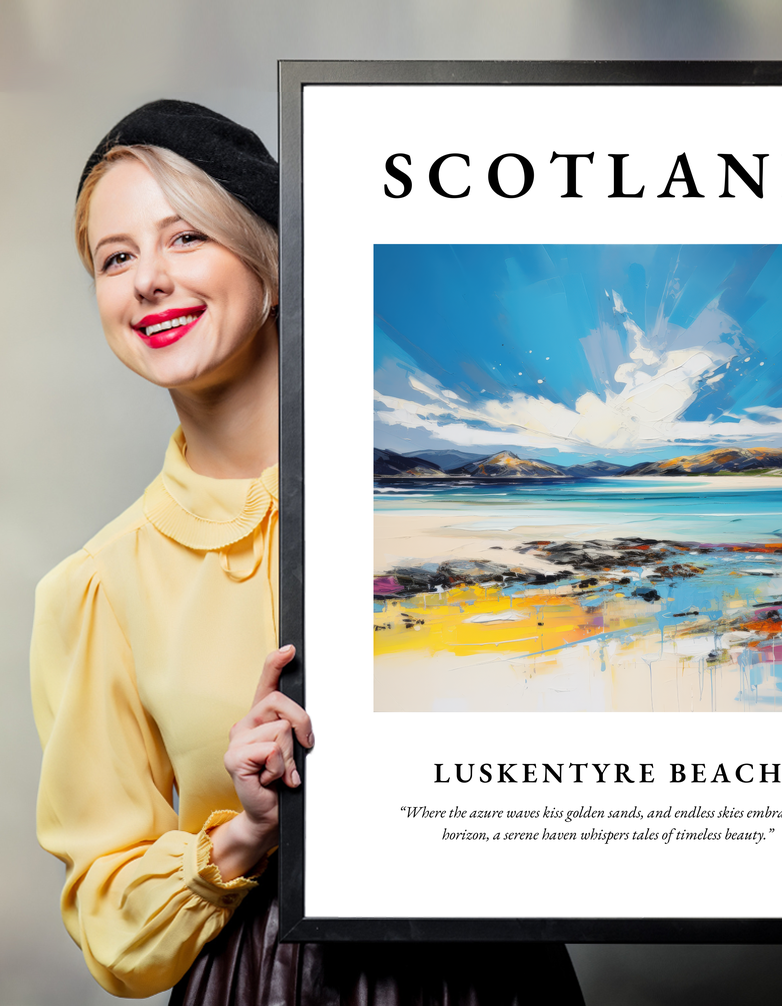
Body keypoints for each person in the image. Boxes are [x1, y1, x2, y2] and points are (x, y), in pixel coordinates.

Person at [30, 100, 585, 1004]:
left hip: (493, 973)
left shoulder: (455, 506)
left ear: (273, 264)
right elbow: (110, 924)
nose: (148, 281)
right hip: (263, 982)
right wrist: (245, 832)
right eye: (116, 257)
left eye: (186, 239)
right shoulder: (97, 587)